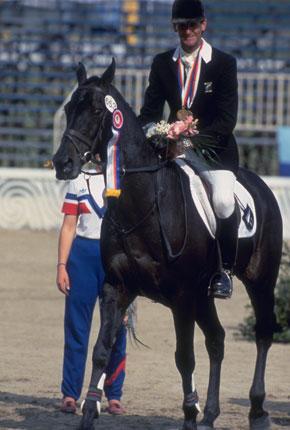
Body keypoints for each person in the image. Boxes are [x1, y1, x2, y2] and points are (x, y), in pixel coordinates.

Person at [139, 0, 239, 299]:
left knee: (222, 200)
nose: (187, 30)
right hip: (172, 149)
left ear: (203, 25)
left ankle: (225, 270)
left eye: (192, 24)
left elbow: (226, 122)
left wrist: (186, 141)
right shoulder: (161, 64)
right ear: (174, 28)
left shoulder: (223, 64)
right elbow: (149, 113)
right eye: (182, 25)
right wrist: (155, 134)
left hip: (215, 151)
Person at [56, 162, 127, 415]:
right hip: (83, 258)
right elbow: (69, 226)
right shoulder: (78, 179)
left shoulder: (123, 175)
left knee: (118, 328)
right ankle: (70, 394)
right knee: (77, 327)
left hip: (117, 259)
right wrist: (62, 265)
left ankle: (114, 394)